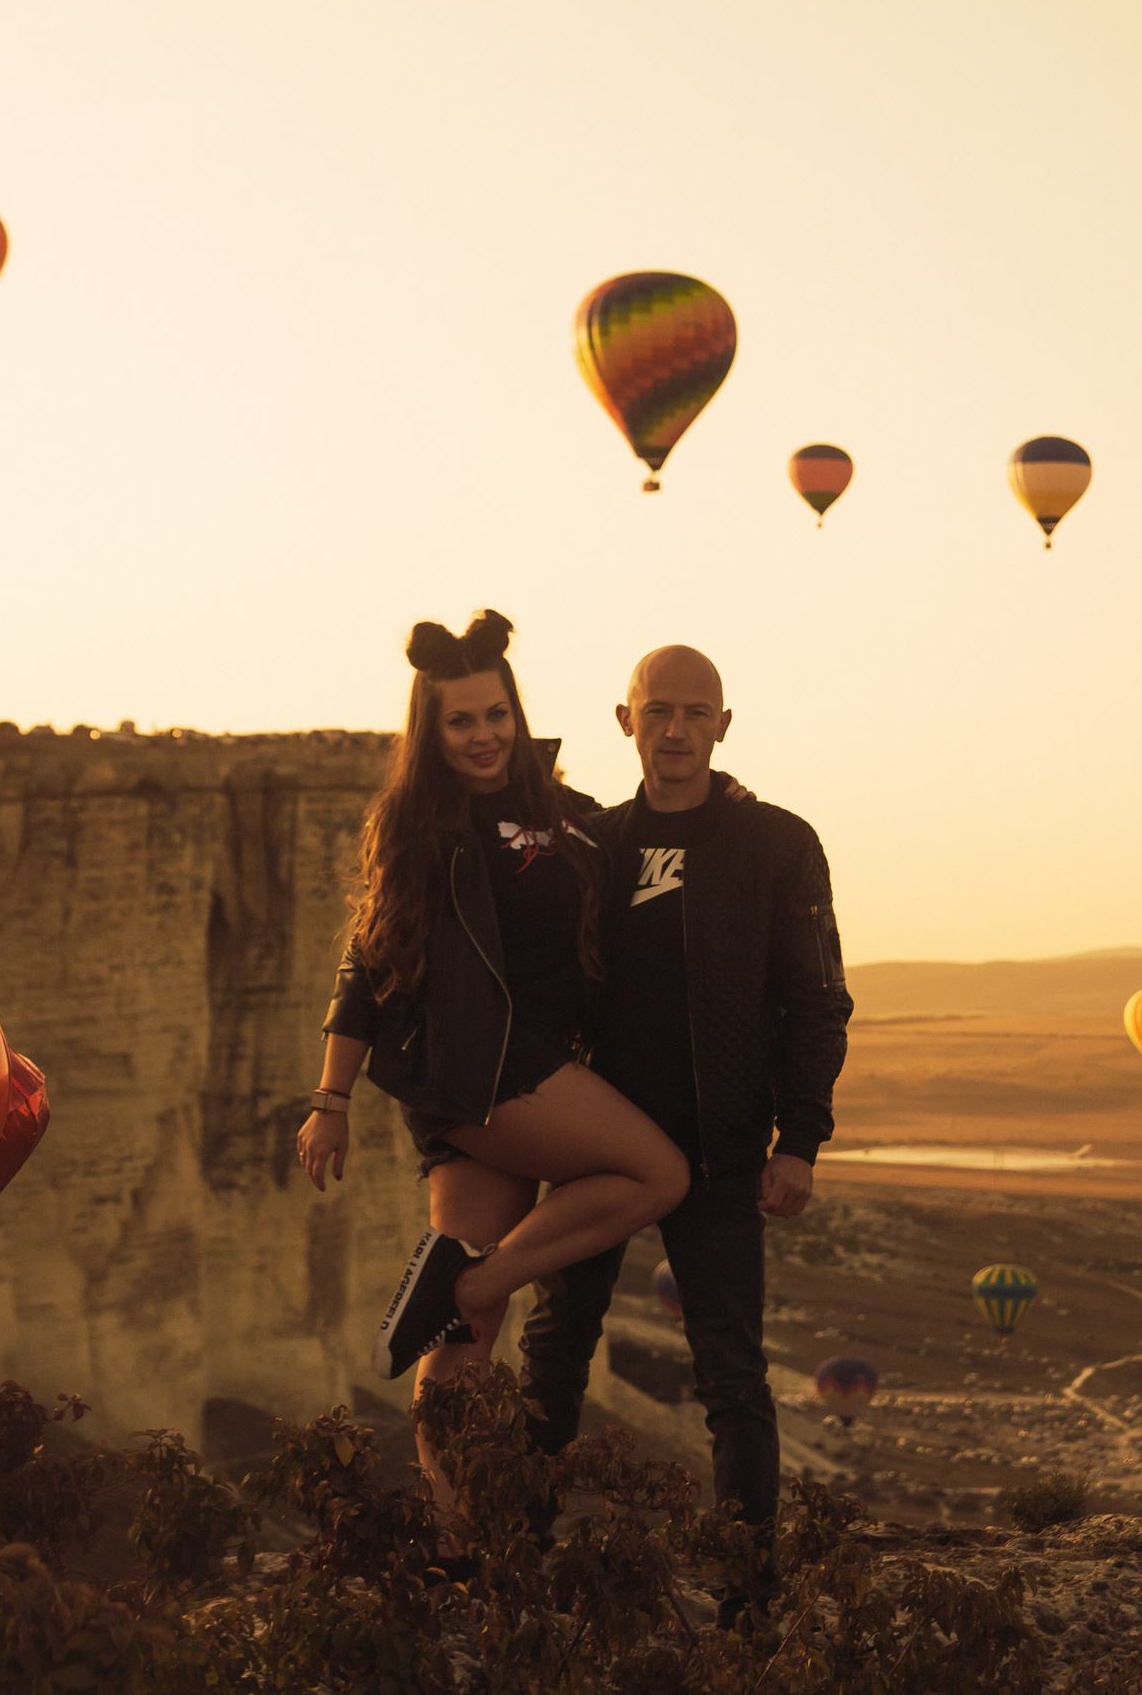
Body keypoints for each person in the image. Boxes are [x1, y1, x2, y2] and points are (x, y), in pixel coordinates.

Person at [299, 610, 690, 1524]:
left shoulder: (567, 812)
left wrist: (723, 805)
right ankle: (475, 1277)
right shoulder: (421, 823)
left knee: (460, 1341)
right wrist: (331, 1098)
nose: (483, 736)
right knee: (656, 1171)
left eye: (496, 716)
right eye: (460, 721)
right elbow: (366, 962)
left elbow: (638, 849)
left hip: (523, 1065)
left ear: (517, 713)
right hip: (484, 1067)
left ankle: (452, 1540)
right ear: (431, 734)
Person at [518, 643, 852, 1624]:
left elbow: (815, 999)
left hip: (718, 1149)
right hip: (595, 1146)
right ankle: (523, 1559)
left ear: (723, 725)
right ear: (624, 723)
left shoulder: (776, 845)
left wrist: (800, 1141)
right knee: (551, 1352)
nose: (674, 729)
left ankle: (744, 1590)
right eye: (655, 710)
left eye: (694, 712)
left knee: (731, 1376)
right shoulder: (588, 845)